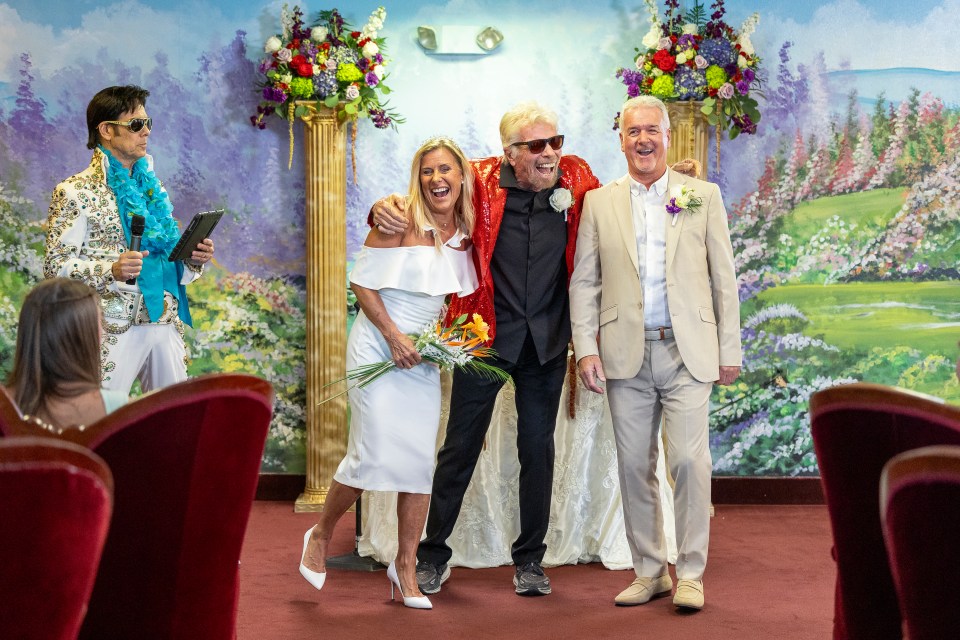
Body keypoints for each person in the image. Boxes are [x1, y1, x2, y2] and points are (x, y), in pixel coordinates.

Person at [372, 102, 602, 596]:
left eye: (555, 142)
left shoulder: (577, 176)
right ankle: (432, 554)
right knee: (459, 448)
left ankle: (530, 562)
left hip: (545, 341)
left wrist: (676, 177)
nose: (549, 154)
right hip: (483, 338)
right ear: (510, 152)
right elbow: (431, 191)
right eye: (536, 146)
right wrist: (382, 206)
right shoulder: (477, 179)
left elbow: (619, 206)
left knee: (536, 452)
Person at [569, 95, 742, 612]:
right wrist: (584, 349)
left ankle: (690, 572)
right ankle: (649, 571)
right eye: (632, 131)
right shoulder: (599, 201)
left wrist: (728, 348)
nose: (642, 139)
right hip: (625, 355)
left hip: (688, 351)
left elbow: (723, 280)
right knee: (633, 466)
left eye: (651, 130)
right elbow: (585, 282)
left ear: (667, 137)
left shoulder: (701, 195)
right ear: (621, 140)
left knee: (689, 462)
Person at [299, 136, 478, 610]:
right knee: (372, 454)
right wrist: (395, 336)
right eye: (426, 171)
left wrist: (439, 344)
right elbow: (361, 280)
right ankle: (319, 533)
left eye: (445, 170)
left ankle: (405, 566)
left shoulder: (467, 229)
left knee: (418, 465)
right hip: (379, 344)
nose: (436, 180)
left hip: (423, 356)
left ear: (462, 175)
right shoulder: (397, 218)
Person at [45, 85, 214, 395]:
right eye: (136, 124)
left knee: (174, 423)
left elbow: (167, 261)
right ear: (107, 130)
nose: (146, 131)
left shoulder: (153, 188)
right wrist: (112, 269)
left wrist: (193, 258)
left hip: (165, 322)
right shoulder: (74, 192)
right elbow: (54, 270)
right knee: (98, 424)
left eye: (149, 123)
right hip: (110, 326)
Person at [5, 278, 128, 430]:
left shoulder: (5, 406)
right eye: (100, 322)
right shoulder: (126, 411)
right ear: (86, 337)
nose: (104, 332)